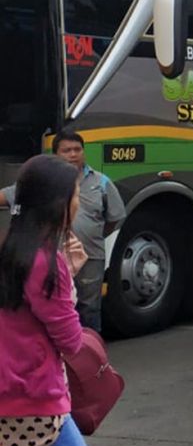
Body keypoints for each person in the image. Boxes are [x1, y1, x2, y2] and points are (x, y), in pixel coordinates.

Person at [0, 154, 93, 446]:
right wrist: (68, 280)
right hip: (34, 403)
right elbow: (70, 341)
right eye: (76, 195)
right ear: (58, 204)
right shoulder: (47, 263)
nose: (79, 202)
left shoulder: (8, 252)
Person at [54, 130, 125, 332]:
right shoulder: (46, 182)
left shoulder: (101, 182)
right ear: (56, 154)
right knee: (60, 306)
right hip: (55, 257)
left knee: (89, 308)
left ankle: (91, 355)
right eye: (66, 150)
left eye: (77, 149)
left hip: (90, 257)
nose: (73, 154)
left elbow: (115, 217)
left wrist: (95, 235)